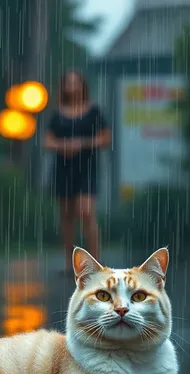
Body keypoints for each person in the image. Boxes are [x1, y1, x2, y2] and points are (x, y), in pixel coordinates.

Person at [43, 70, 111, 273]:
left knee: (86, 211)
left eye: (75, 82)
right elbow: (47, 141)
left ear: (82, 85)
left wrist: (83, 143)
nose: (71, 87)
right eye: (68, 83)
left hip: (87, 167)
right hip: (64, 168)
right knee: (66, 216)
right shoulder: (57, 113)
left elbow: (105, 138)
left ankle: (95, 263)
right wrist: (62, 146)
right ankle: (71, 263)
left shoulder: (93, 112)